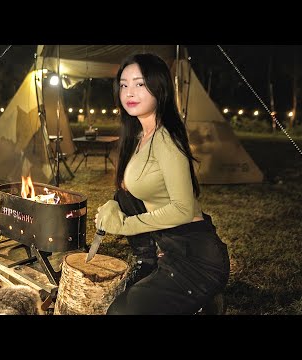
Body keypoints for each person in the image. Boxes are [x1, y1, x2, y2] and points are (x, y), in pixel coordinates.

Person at [94, 53, 230, 315]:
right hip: (168, 248)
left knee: (121, 312)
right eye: (124, 84)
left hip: (196, 259)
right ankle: (148, 264)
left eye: (140, 84)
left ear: (160, 88)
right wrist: (113, 203)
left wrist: (124, 225)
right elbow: (129, 190)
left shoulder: (166, 138)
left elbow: (183, 209)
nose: (129, 92)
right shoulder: (139, 135)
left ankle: (206, 303)